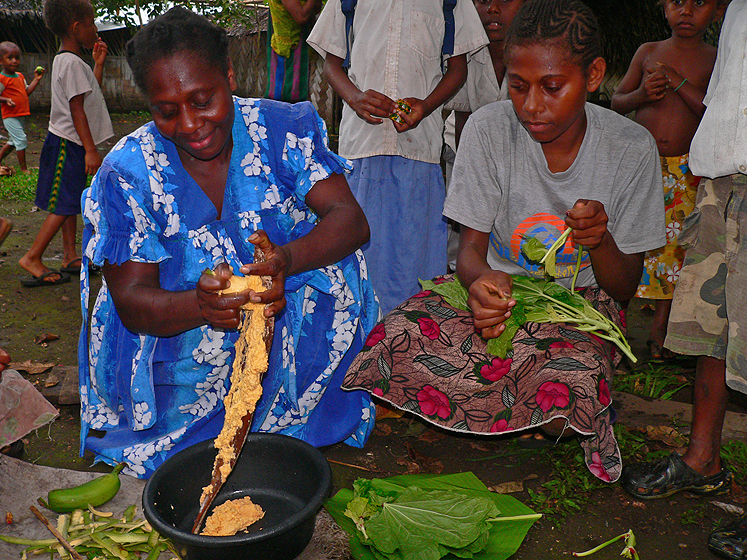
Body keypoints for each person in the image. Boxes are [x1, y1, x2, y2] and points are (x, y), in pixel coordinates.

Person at [342, 0, 666, 482]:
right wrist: (479, 284)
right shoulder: (490, 128)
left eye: (552, 87)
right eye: (518, 86)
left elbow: (621, 287)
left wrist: (600, 241)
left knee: (570, 377)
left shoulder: (630, 148)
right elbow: (470, 252)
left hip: (581, 302)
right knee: (395, 337)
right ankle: (525, 406)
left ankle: (533, 407)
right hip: (500, 293)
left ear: (594, 75)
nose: (531, 105)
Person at [77, 6, 379, 478]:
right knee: (187, 455)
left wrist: (287, 260)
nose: (191, 124)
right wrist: (202, 307)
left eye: (203, 99)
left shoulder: (281, 128)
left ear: (230, 77)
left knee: (333, 272)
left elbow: (350, 221)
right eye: (166, 111)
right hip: (179, 337)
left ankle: (298, 404)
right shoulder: (128, 172)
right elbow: (133, 302)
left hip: (287, 318)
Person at [620, 1, 747, 556]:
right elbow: (620, 102)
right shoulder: (653, 51)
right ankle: (703, 460)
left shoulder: (709, 54)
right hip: (719, 176)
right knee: (711, 330)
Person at [307, 0, 487, 315]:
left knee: (415, 264)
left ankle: (412, 342)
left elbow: (458, 70)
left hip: (418, 150)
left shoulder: (451, 2)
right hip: (361, 148)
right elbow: (331, 64)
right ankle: (357, 347)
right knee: (356, 259)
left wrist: (426, 106)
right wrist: (355, 98)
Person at [611, 0, 725, 360]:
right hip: (641, 168)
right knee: (631, 242)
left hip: (687, 173)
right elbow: (616, 102)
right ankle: (615, 329)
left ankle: (660, 332)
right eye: (677, 2)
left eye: (699, 4)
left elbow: (714, 111)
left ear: (719, 12)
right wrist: (642, 94)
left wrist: (679, 84)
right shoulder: (649, 53)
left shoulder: (715, 58)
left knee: (672, 252)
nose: (686, 11)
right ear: (663, 8)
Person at [18, 0, 113, 288]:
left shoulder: (73, 61)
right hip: (68, 144)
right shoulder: (70, 63)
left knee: (69, 200)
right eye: (92, 23)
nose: (95, 28)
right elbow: (77, 110)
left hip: (71, 142)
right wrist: (91, 149)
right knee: (63, 204)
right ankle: (33, 257)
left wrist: (97, 65)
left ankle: (70, 255)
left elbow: (89, 95)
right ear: (76, 27)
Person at [443, 0, 525, 272]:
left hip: (522, 164)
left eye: (505, 1)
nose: (492, 9)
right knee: (462, 241)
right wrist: (480, 177)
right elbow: (463, 121)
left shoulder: (533, 55)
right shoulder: (463, 54)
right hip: (465, 156)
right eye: (483, 1)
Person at [265, 0, 323, 102]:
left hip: (297, 48)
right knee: (286, 96)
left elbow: (316, 8)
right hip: (288, 50)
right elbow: (301, 17)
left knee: (295, 97)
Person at [0, 41, 44, 173]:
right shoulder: (2, 78)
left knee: (13, 142)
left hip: (21, 114)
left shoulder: (20, 76)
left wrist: (36, 79)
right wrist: (5, 99)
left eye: (17, 58)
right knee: (21, 140)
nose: (14, 61)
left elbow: (26, 92)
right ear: (1, 61)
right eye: (10, 58)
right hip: (10, 116)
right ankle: (24, 169)